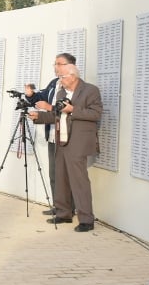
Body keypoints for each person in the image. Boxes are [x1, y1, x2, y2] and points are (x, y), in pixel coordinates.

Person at [32, 64, 102, 232]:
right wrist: (38, 117)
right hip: (61, 140)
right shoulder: (61, 93)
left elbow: (96, 114)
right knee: (61, 178)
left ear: (73, 76)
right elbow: (56, 115)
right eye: (59, 76)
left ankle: (86, 219)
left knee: (79, 181)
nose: (60, 80)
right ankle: (64, 213)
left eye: (62, 76)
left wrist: (73, 110)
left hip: (78, 142)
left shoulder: (90, 90)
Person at [25, 52, 76, 215]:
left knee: (67, 175)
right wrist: (31, 95)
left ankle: (69, 209)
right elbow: (41, 97)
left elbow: (69, 110)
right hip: (53, 135)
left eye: (59, 64)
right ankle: (58, 207)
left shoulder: (75, 85)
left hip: (68, 138)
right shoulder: (54, 83)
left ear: (70, 66)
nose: (56, 67)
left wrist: (48, 108)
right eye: (55, 64)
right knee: (54, 174)